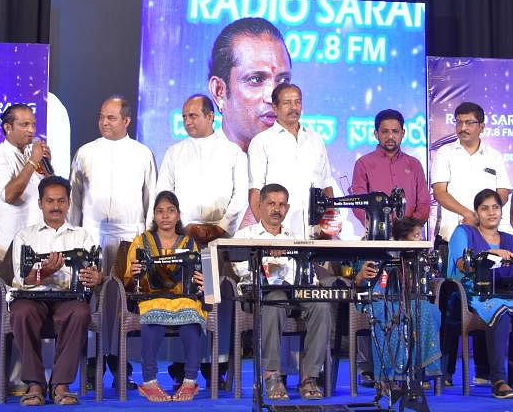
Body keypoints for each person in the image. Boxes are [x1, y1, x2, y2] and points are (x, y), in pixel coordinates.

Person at [10, 176, 105, 406]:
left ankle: (60, 384)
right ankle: (35, 383)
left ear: (68, 203)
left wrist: (96, 277)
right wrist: (45, 273)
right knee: (21, 312)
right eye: (50, 201)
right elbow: (22, 279)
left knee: (80, 312)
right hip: (33, 298)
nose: (55, 206)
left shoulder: (82, 236)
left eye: (61, 201)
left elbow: (93, 270)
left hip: (68, 298)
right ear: (40, 203)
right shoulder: (25, 236)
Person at [447, 191, 513, 399]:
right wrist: (489, 255)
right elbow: (461, 264)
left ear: (501, 212)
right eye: (484, 208)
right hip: (475, 293)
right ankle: (499, 380)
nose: (491, 213)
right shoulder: (464, 232)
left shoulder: (510, 240)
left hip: (507, 291)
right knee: (500, 311)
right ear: (476, 213)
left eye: (495, 207)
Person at [234, 183, 332, 400]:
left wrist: (313, 286)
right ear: (260, 207)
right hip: (258, 293)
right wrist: (272, 259)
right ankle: (272, 375)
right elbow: (240, 268)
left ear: (287, 209)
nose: (276, 209)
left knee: (321, 304)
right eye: (271, 204)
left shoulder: (295, 237)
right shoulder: (245, 235)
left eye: (281, 205)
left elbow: (305, 270)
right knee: (275, 298)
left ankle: (309, 377)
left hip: (295, 293)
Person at [0, 103, 50, 395]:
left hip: (37, 246)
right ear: (7, 128)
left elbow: (49, 194)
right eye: (24, 125)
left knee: (29, 312)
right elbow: (11, 194)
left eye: (33, 124)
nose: (31, 130)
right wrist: (32, 163)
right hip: (7, 248)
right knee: (3, 314)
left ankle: (26, 379)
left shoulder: (34, 159)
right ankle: (0, 379)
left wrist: (44, 168)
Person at [122, 191, 207, 402]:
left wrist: (201, 279)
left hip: (182, 298)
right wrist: (133, 275)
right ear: (154, 215)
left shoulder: (188, 243)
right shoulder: (142, 242)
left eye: (170, 211)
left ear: (178, 215)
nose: (165, 216)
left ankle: (189, 381)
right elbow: (129, 282)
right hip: (152, 297)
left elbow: (197, 273)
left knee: (191, 320)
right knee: (153, 319)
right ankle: (149, 381)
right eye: (160, 211)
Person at [68, 96, 156, 273]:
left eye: (111, 118)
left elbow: (151, 198)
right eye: (101, 117)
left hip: (130, 235)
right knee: (92, 289)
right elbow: (74, 199)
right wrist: (73, 235)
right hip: (91, 234)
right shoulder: (85, 152)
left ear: (126, 121)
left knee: (125, 289)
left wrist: (148, 240)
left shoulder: (142, 154)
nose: (104, 122)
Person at [352, 217, 442, 386]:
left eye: (420, 235)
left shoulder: (417, 257)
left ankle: (419, 371)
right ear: (402, 239)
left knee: (428, 310)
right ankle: (389, 377)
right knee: (389, 313)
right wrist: (361, 276)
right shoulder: (372, 248)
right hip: (378, 299)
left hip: (407, 299)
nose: (421, 239)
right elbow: (358, 286)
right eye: (416, 236)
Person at [156, 94, 248, 244]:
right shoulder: (174, 152)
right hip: (182, 234)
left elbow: (241, 195)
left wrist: (221, 228)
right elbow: (164, 193)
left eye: (192, 116)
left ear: (210, 116)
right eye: (184, 117)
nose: (187, 122)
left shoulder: (233, 151)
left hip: (222, 235)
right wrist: (184, 225)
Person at [247, 84, 335, 239]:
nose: (294, 107)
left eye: (298, 102)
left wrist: (330, 227)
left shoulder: (315, 139)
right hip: (280, 234)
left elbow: (327, 185)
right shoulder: (261, 141)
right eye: (287, 103)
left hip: (316, 233)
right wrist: (268, 234)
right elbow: (255, 192)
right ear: (275, 107)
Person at [207, 17, 293, 153]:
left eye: (283, 81)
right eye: (256, 80)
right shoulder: (190, 167)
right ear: (219, 91)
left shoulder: (306, 166)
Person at [431, 102, 511, 244]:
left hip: (487, 235)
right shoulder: (444, 153)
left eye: (469, 123)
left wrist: (483, 214)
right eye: (459, 122)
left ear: (482, 127)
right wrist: (467, 214)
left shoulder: (494, 156)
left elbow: (503, 194)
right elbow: (439, 193)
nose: (463, 128)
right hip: (450, 234)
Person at [349, 109, 431, 229]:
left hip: (409, 237)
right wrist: (377, 225)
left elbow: (424, 203)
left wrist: (408, 228)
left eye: (395, 131)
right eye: (385, 132)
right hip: (376, 236)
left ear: (403, 133)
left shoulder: (414, 164)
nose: (390, 136)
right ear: (376, 134)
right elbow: (358, 203)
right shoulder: (363, 164)